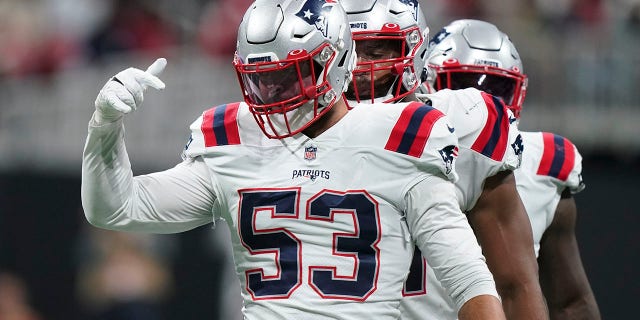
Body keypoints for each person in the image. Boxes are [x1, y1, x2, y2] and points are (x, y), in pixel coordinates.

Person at [81, 0, 506, 319]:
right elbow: (116, 208)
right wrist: (104, 127)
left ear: (337, 60)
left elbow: (469, 281)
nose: (273, 93)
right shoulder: (234, 139)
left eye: (289, 75)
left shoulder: (400, 135)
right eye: (261, 80)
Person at [340, 1, 547, 319]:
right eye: (349, 52)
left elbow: (516, 285)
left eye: (377, 52)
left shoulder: (464, 126)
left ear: (415, 51)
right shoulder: (291, 134)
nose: (359, 67)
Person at [425, 19, 601, 319]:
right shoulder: (399, 150)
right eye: (463, 86)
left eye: (497, 89)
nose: (480, 106)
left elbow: (571, 303)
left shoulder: (543, 166)